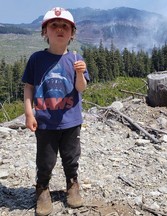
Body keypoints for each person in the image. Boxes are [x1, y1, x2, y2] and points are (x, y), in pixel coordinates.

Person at [22, 7, 90, 216]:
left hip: (71, 120)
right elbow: (29, 87)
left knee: (71, 157)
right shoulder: (36, 59)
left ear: (72, 33)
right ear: (45, 32)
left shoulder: (76, 59)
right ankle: (42, 189)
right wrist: (28, 113)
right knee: (45, 159)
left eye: (65, 26)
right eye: (54, 25)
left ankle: (72, 184)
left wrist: (80, 73)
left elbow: (81, 88)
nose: (60, 29)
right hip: (44, 121)